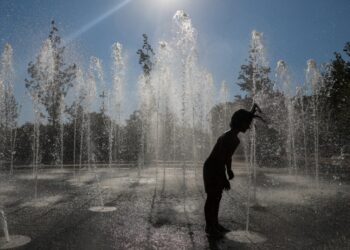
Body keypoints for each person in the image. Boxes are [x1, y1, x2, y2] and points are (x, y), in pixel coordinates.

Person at [203, 104, 264, 238]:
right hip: (211, 168)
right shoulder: (227, 137)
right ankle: (209, 226)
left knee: (217, 197)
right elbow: (219, 159)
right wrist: (224, 178)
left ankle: (215, 223)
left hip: (217, 167)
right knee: (212, 197)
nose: (248, 127)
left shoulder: (235, 139)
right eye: (247, 123)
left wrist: (229, 169)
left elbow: (227, 157)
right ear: (240, 122)